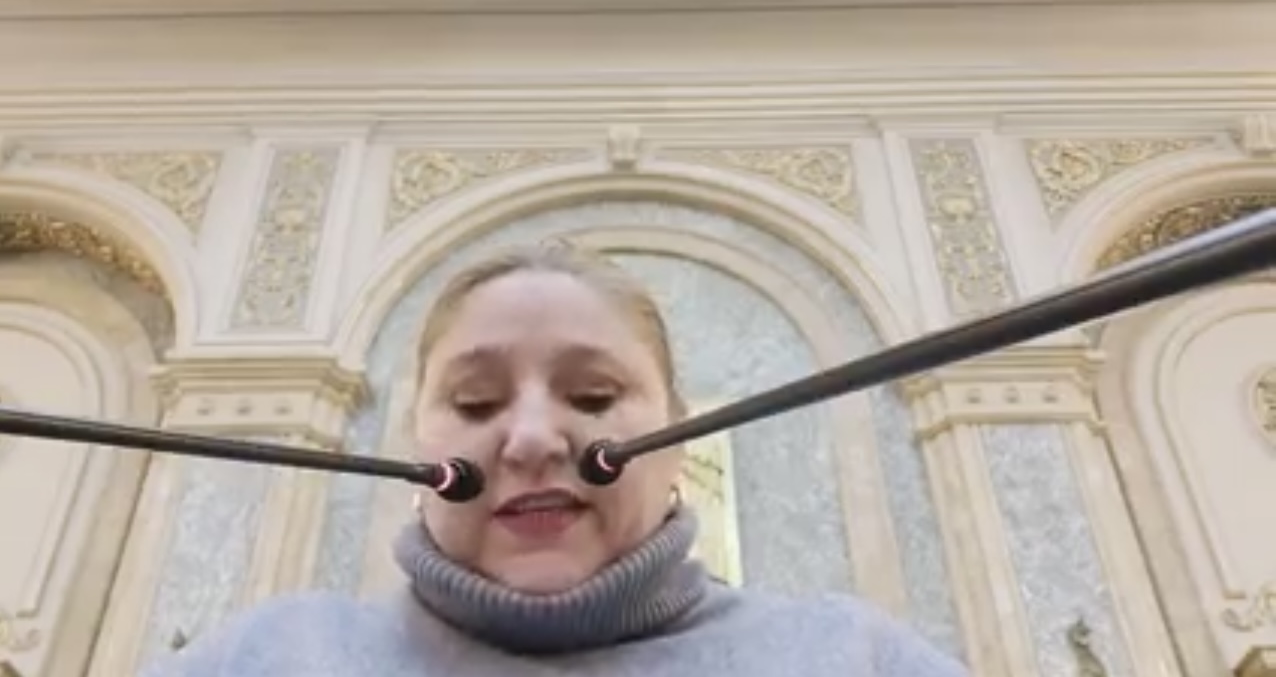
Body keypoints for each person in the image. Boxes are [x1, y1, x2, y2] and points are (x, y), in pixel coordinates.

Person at [140, 241, 969, 677]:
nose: (533, 440)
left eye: (594, 396)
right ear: (417, 442)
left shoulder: (854, 659)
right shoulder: (266, 658)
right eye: (476, 403)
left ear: (680, 437)